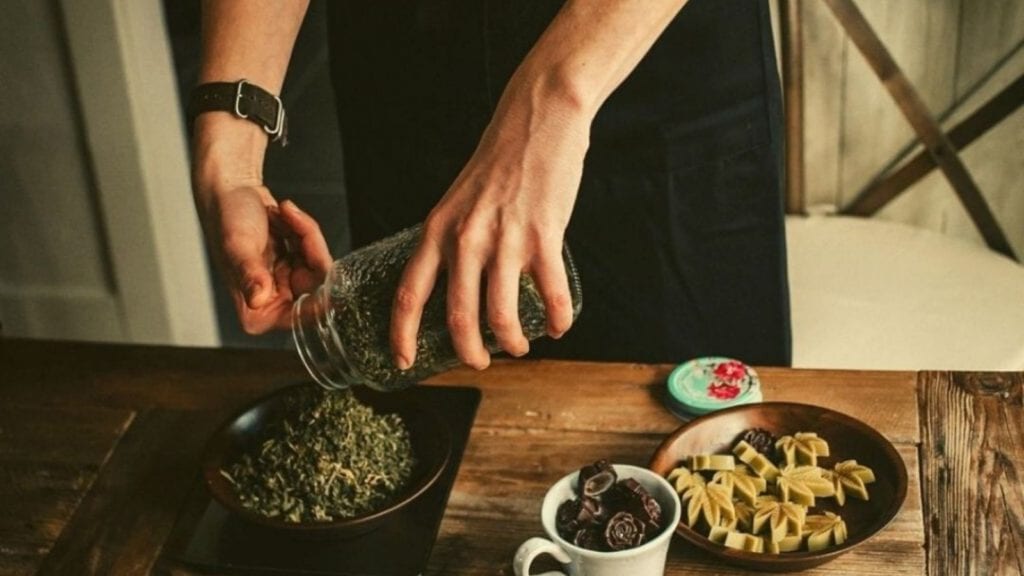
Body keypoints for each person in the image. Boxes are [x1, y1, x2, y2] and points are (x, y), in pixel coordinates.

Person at [190, 0, 792, 370]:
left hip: (641, 53)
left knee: (700, 451)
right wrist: (231, 148)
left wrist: (555, 97)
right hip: (406, 61)